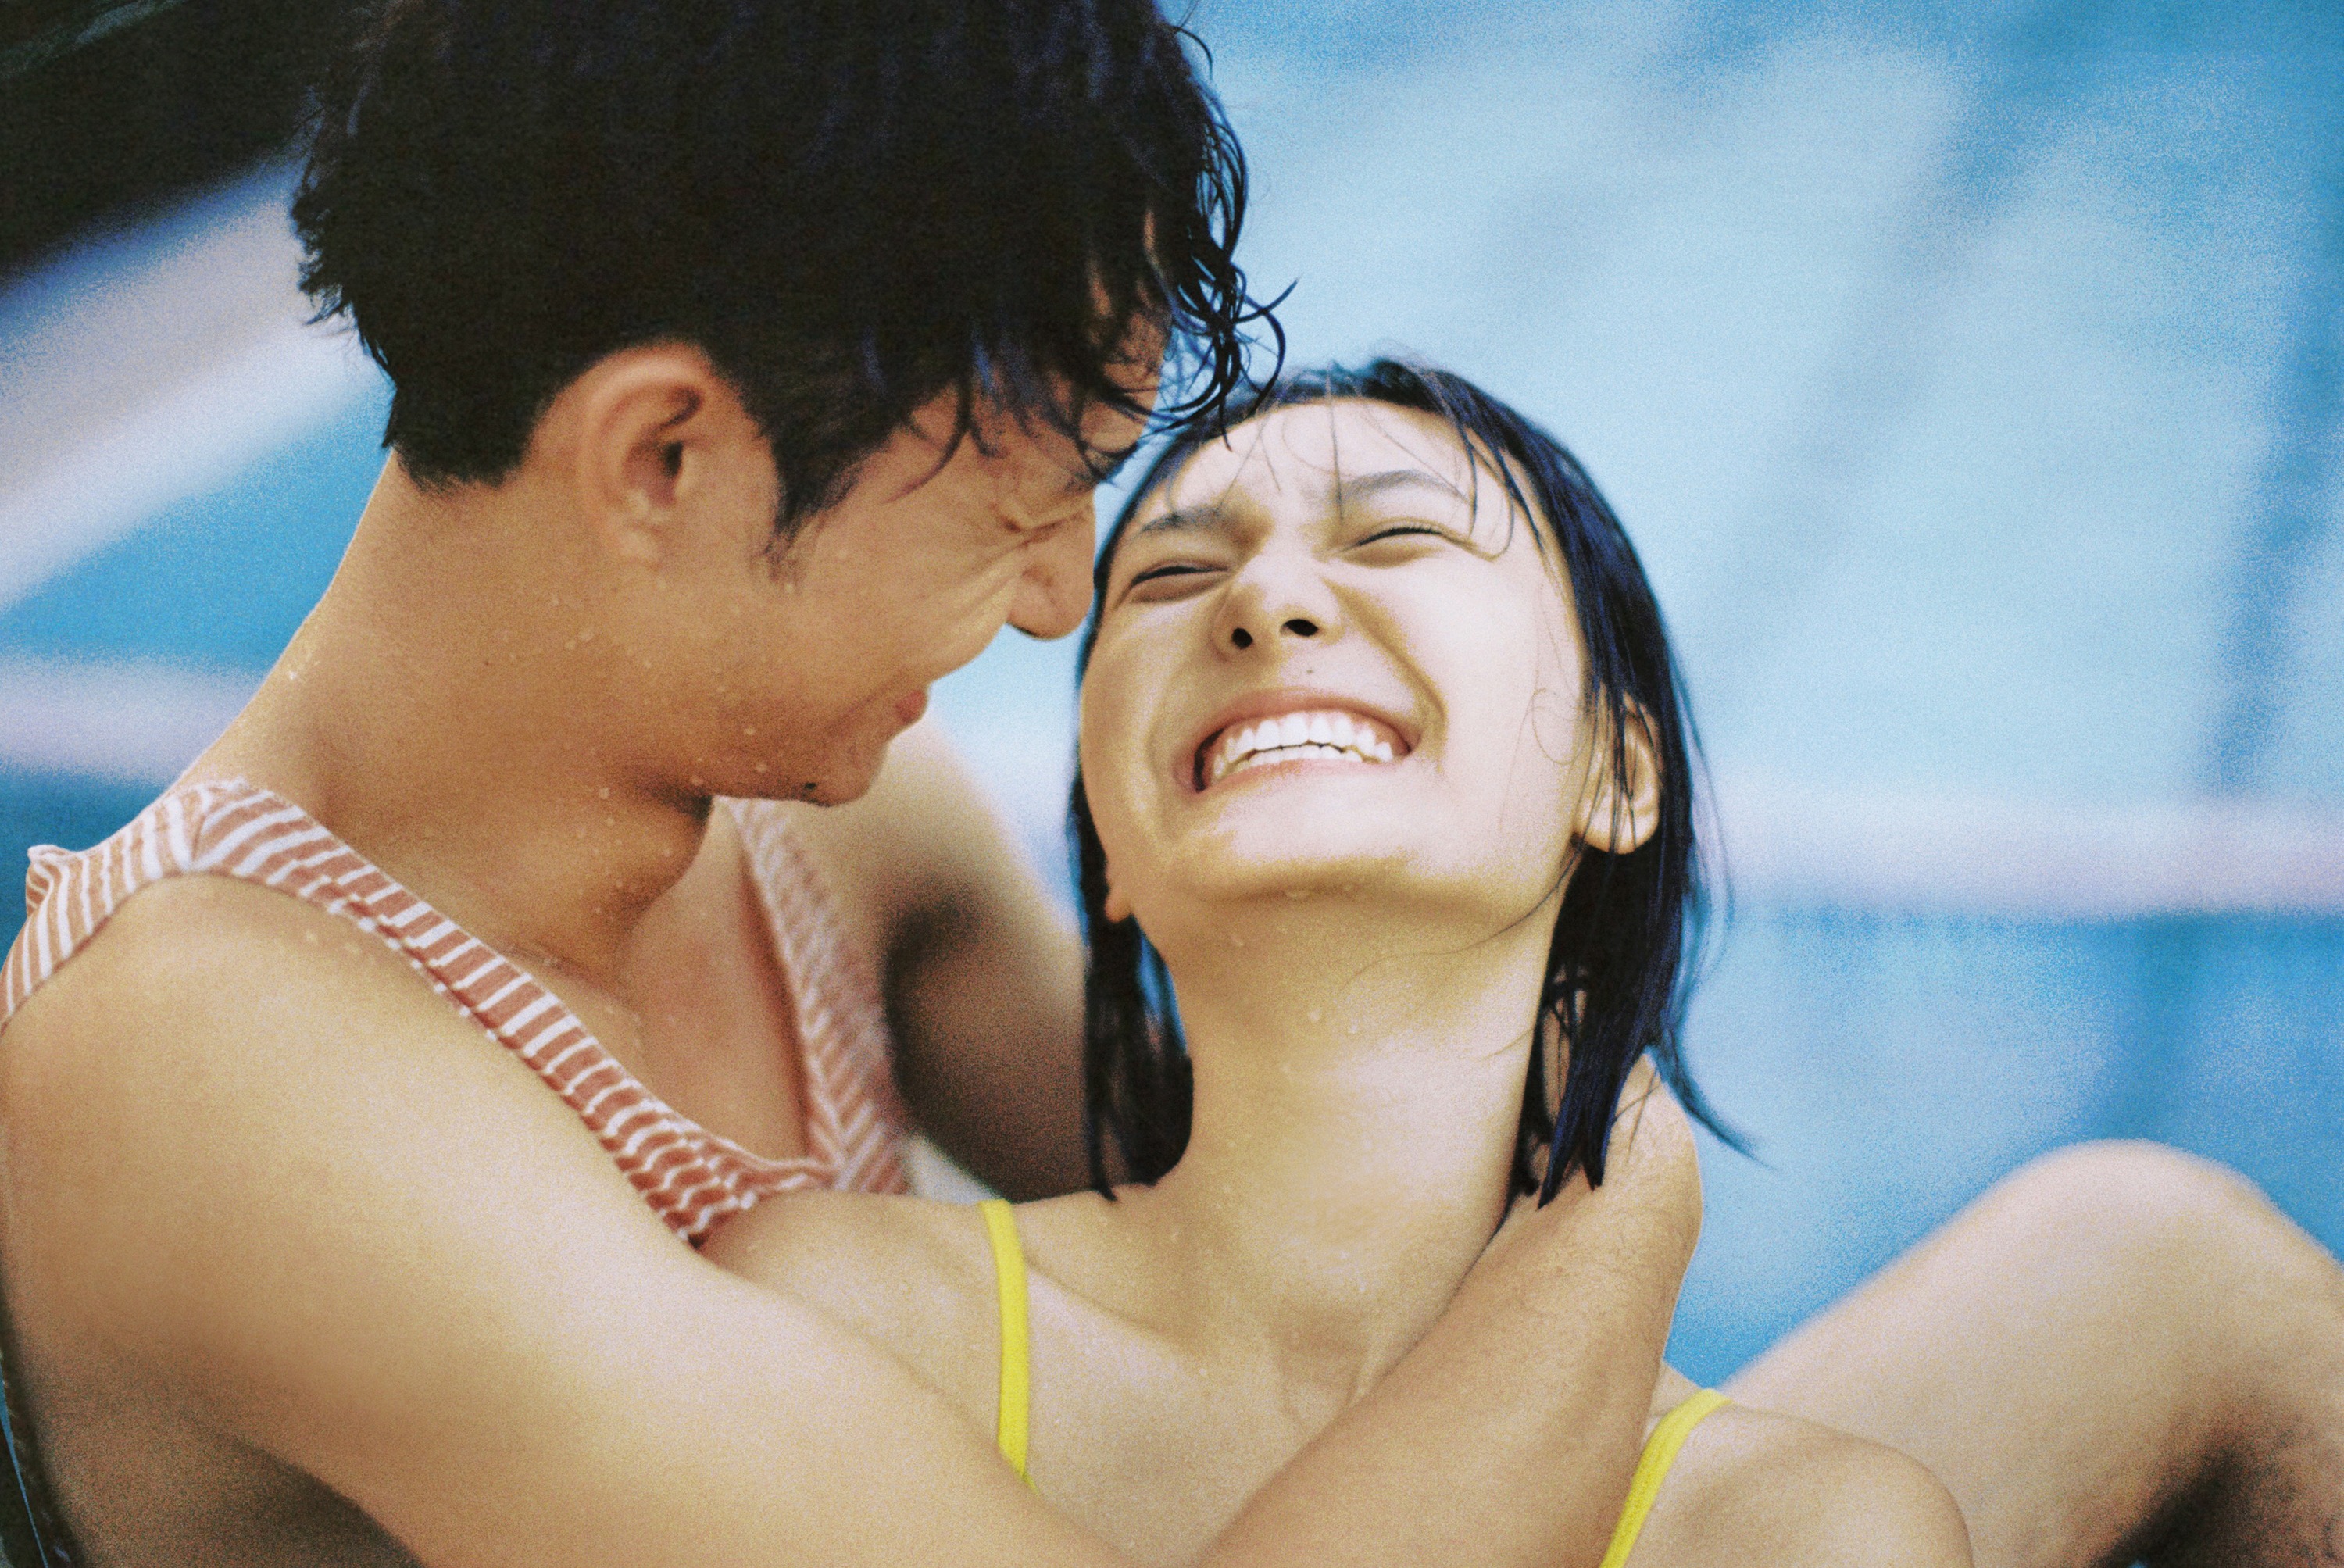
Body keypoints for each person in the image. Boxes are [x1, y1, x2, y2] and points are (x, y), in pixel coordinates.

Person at [0, 5, 1705, 1566]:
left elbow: (1307, 1264)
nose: (1063, 597)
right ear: (664, 457)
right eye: (1022, 505)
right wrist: (1620, 1201)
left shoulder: (834, 832)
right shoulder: (217, 1066)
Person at [706, 359, 1974, 1564]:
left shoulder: (1812, 1536)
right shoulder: (844, 1317)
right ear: (1108, 850)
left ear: (1619, 771)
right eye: (1173, 574)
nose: (1263, 602)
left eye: (1395, 538)